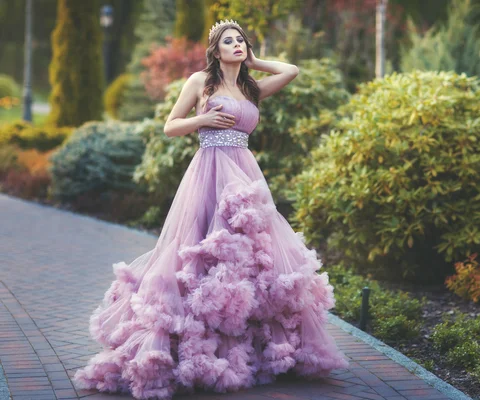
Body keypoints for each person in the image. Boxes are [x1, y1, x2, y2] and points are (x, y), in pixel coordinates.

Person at [72, 19, 349, 400]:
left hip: (244, 173)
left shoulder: (251, 88)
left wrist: (255, 60)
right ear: (215, 51)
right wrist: (201, 119)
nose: (236, 45)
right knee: (202, 248)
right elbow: (170, 126)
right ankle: (189, 345)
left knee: (250, 256)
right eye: (228, 41)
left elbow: (292, 70)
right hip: (209, 171)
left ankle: (247, 348)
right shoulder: (200, 82)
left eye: (241, 41)